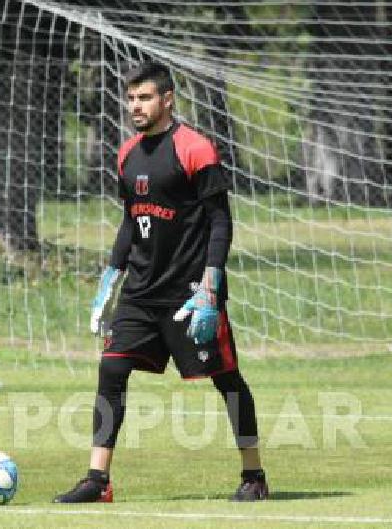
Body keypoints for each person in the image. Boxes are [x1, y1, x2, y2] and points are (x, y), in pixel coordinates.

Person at [53, 61, 269, 503]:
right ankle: (98, 481)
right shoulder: (128, 153)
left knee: (227, 379)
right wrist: (110, 279)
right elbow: (131, 222)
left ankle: (254, 476)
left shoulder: (195, 148)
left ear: (166, 100)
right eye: (131, 98)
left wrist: (211, 288)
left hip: (190, 294)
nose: (135, 105)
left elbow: (220, 223)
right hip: (141, 292)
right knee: (111, 368)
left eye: (144, 97)